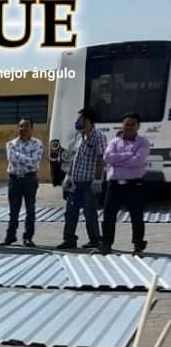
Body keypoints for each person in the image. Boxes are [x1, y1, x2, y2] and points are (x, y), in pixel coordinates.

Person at [100, 112, 151, 256]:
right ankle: (106, 244)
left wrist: (118, 159)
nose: (128, 127)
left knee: (137, 216)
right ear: (122, 125)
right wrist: (129, 155)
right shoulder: (114, 142)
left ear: (138, 126)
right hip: (114, 185)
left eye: (132, 124)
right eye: (126, 124)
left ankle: (138, 245)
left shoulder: (143, 142)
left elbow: (138, 161)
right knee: (108, 216)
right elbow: (107, 158)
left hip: (134, 185)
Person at [58, 107, 106, 250]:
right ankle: (69, 239)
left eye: (79, 119)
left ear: (87, 120)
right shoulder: (79, 137)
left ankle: (95, 239)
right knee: (70, 212)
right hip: (76, 182)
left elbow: (101, 158)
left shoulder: (99, 136)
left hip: (89, 182)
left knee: (89, 212)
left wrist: (98, 179)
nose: (77, 121)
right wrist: (68, 176)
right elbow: (75, 158)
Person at [2, 118, 44, 247]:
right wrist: (26, 158)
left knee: (30, 210)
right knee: (13, 210)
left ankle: (28, 237)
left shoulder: (37, 144)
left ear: (32, 128)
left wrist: (18, 155)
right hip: (14, 180)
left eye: (26, 126)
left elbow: (34, 163)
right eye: (21, 126)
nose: (24, 129)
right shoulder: (11, 144)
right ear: (18, 128)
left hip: (29, 179)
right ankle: (10, 237)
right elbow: (12, 160)